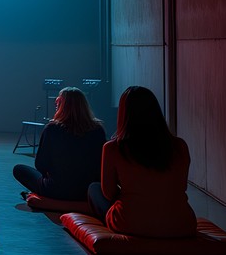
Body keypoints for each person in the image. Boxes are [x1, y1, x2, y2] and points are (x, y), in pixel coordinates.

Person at [87, 86, 196, 238]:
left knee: (94, 189)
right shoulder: (179, 146)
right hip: (182, 225)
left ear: (124, 114)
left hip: (130, 224)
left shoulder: (114, 148)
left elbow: (109, 193)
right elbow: (181, 186)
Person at [12, 87, 106, 201]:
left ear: (61, 105)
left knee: (19, 169)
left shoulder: (52, 129)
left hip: (55, 190)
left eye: (58, 102)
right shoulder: (97, 130)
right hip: (86, 191)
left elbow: (40, 164)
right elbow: (102, 164)